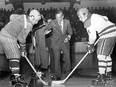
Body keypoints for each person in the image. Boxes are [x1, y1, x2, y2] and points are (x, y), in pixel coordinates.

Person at [0, 9, 42, 85]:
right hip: (8, 37)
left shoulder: (23, 16)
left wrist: (13, 26)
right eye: (36, 21)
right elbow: (22, 39)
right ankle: (16, 78)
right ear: (32, 17)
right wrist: (23, 49)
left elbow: (12, 16)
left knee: (12, 56)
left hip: (4, 34)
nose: (36, 23)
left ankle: (13, 76)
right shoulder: (29, 25)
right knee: (15, 56)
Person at [77, 8, 116, 86]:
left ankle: (102, 78)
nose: (79, 19)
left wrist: (90, 45)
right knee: (107, 55)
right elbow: (106, 18)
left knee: (101, 55)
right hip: (114, 31)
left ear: (85, 14)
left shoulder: (88, 21)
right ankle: (108, 75)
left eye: (80, 16)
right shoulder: (95, 15)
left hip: (107, 34)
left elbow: (92, 36)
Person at [45, 10, 73, 80]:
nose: (58, 19)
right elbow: (46, 30)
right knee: (56, 59)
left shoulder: (67, 22)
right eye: (56, 17)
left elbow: (70, 32)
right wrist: (47, 31)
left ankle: (68, 74)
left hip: (65, 42)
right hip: (56, 43)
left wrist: (68, 37)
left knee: (67, 58)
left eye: (59, 17)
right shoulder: (52, 22)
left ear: (62, 17)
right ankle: (58, 75)